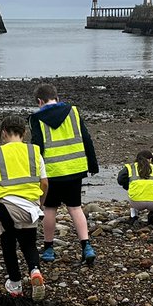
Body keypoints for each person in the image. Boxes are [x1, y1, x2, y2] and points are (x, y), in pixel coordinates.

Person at [0, 116, 48, 299]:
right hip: (30, 207)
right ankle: (35, 271)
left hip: (5, 206)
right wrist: (40, 203)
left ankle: (15, 285)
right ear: (24, 133)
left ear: (4, 133)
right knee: (29, 244)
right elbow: (44, 183)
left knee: (8, 245)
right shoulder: (34, 152)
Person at [28, 83, 99, 265]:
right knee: (75, 207)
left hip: (51, 172)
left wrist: (34, 172)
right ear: (57, 98)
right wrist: (92, 164)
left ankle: (49, 249)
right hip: (75, 169)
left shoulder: (36, 119)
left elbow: (37, 146)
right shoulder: (73, 112)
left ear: (39, 101)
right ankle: (86, 246)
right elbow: (86, 138)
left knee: (50, 209)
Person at [116, 150, 153, 227]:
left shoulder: (130, 167)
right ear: (150, 159)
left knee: (132, 191)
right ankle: (152, 213)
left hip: (137, 202)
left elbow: (120, 180)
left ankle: (133, 215)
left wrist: (128, 186)